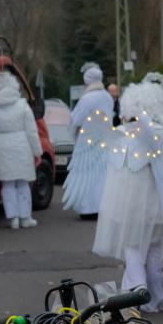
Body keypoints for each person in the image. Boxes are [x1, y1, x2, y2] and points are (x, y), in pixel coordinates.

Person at [92, 82, 163, 313]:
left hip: (124, 205)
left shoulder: (118, 134)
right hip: (156, 205)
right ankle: (156, 296)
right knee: (154, 249)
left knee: (133, 249)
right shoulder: (160, 134)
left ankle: (136, 290)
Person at [0, 70, 42, 230]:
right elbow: (32, 131)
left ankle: (13, 219)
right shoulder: (22, 105)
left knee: (7, 184)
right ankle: (25, 218)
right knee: (22, 183)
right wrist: (37, 151)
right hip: (20, 146)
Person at [62, 62, 115, 219]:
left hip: (88, 140)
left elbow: (76, 119)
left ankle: (88, 208)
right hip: (105, 139)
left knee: (86, 173)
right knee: (103, 173)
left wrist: (74, 130)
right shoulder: (107, 96)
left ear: (87, 81)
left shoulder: (87, 98)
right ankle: (104, 206)